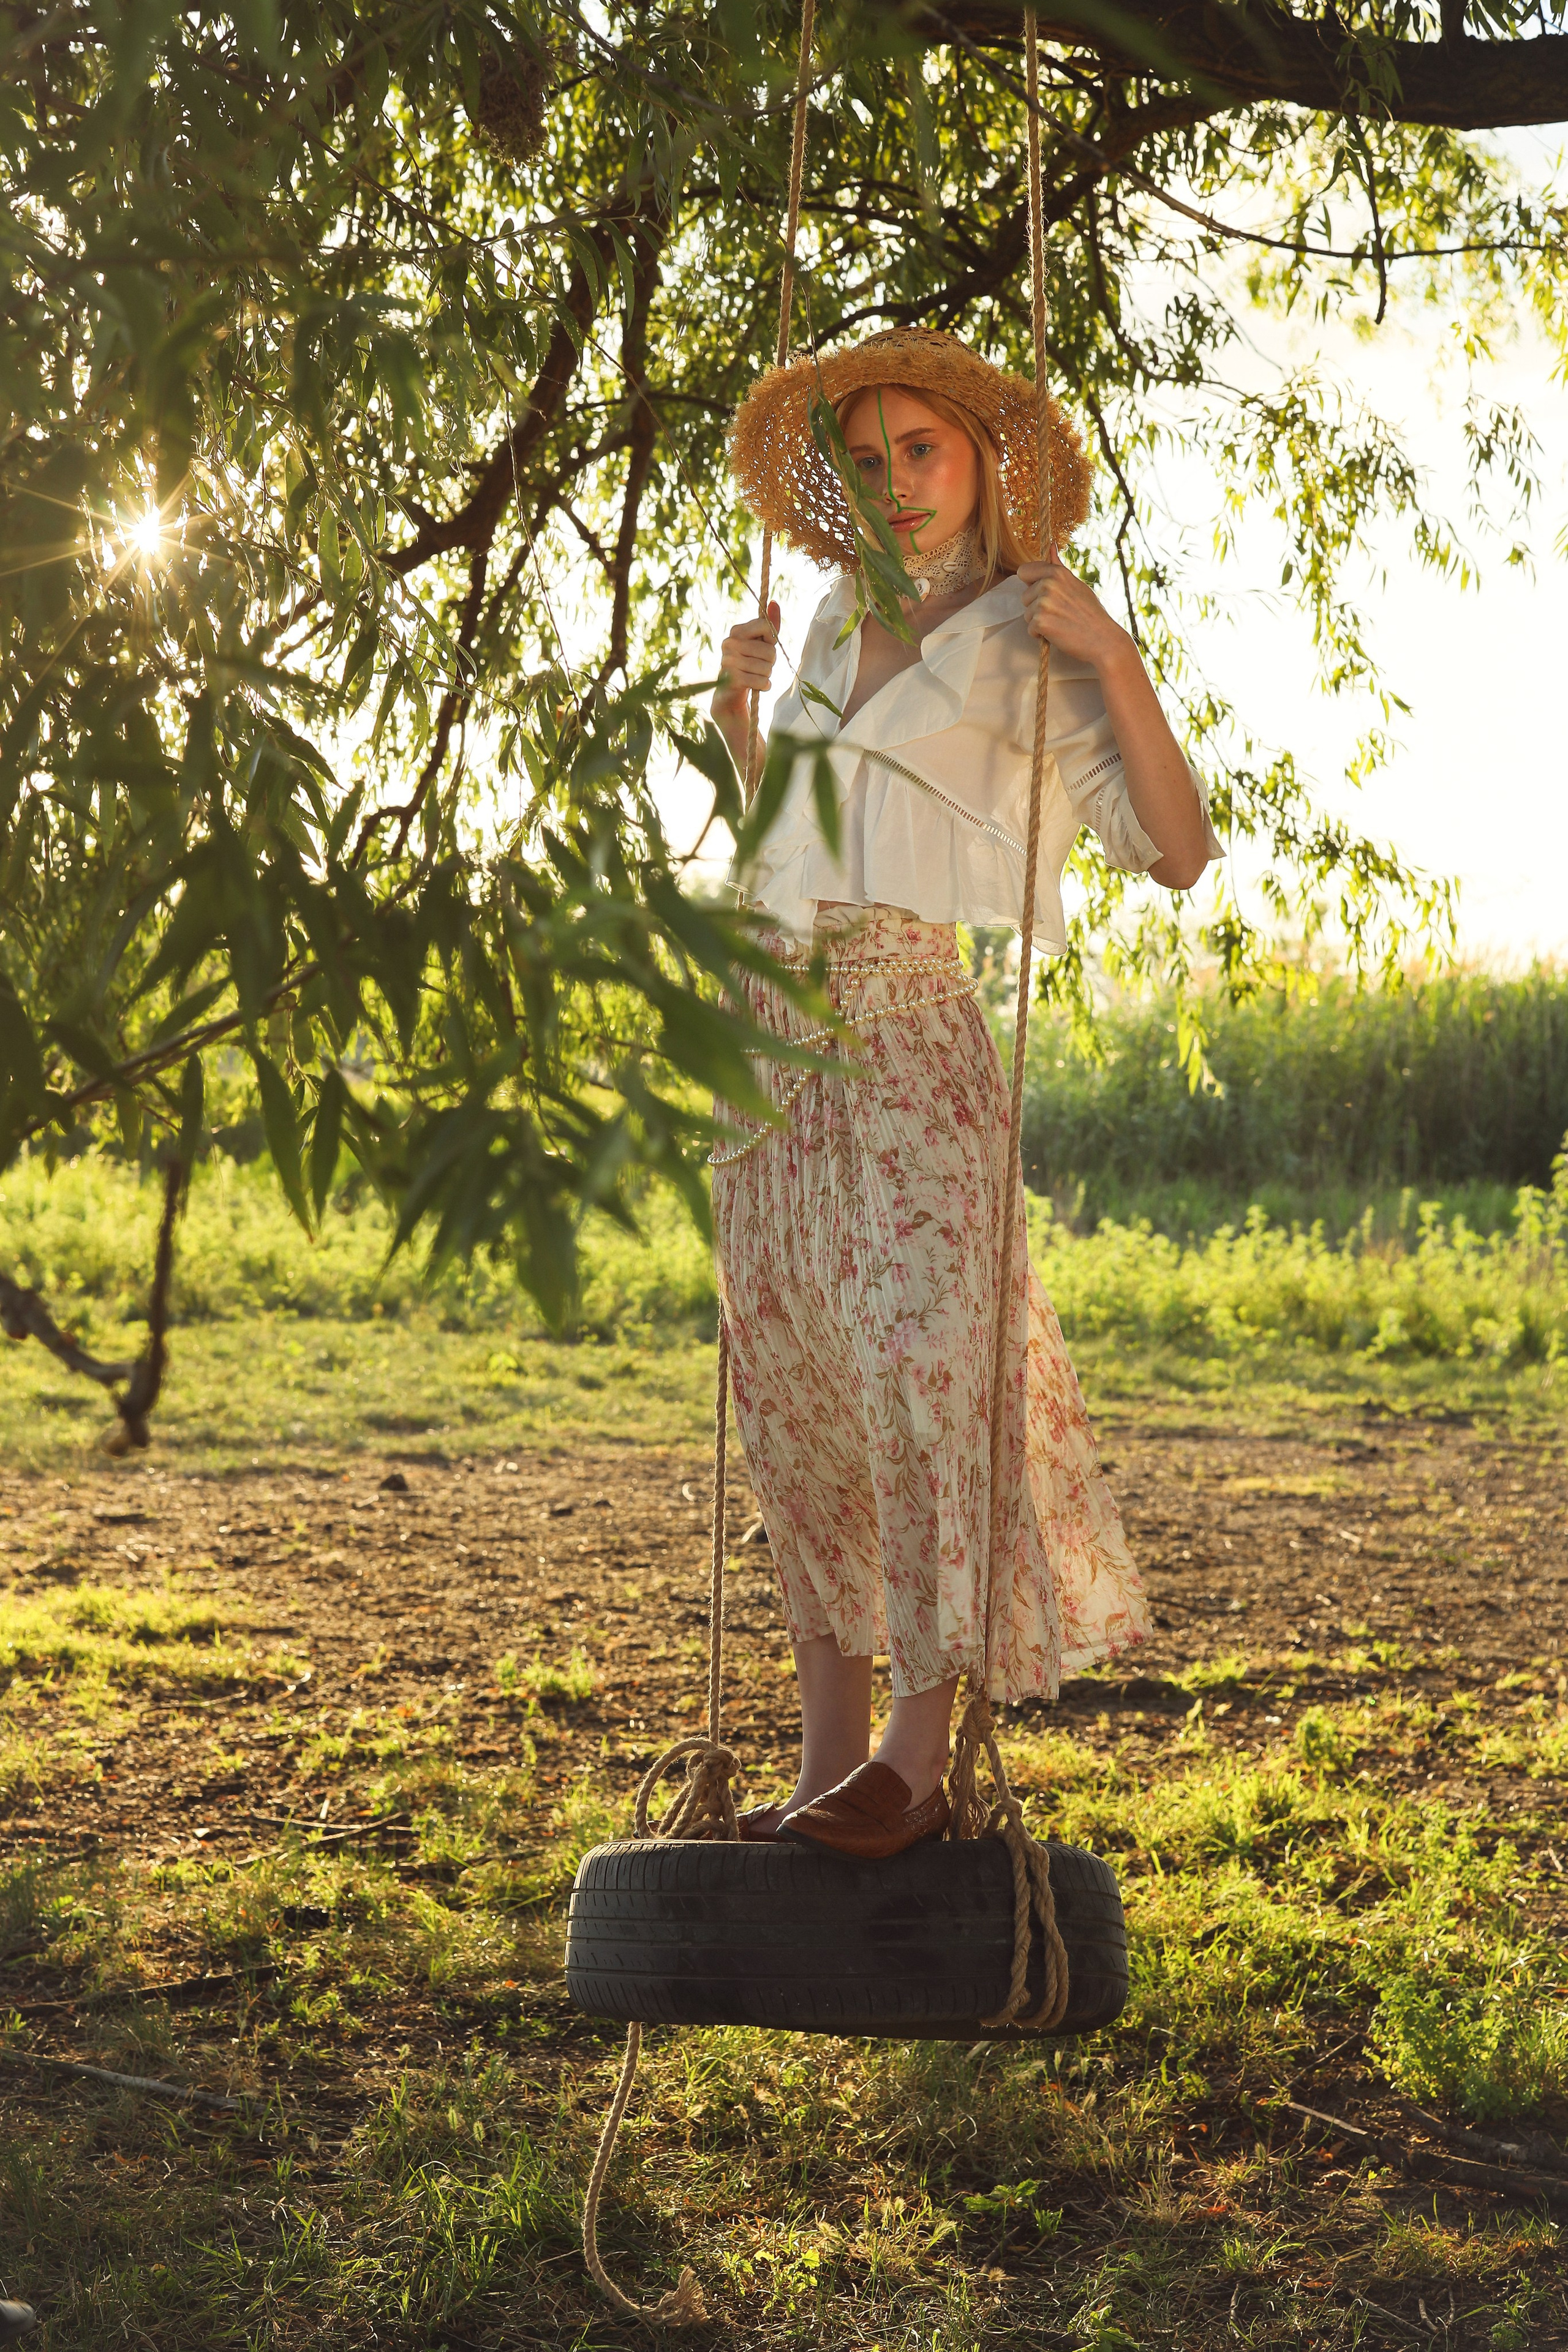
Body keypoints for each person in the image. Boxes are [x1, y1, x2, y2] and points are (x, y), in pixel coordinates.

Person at [706, 327, 1219, 1863]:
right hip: (768, 1044)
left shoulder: (1028, 637)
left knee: (922, 1370)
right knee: (799, 1390)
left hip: (911, 1032)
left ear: (982, 458)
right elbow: (785, 848)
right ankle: (824, 1763)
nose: (894, 487)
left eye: (919, 451)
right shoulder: (818, 623)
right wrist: (743, 739)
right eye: (862, 465)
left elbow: (1176, 853)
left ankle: (916, 1759)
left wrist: (1114, 656)